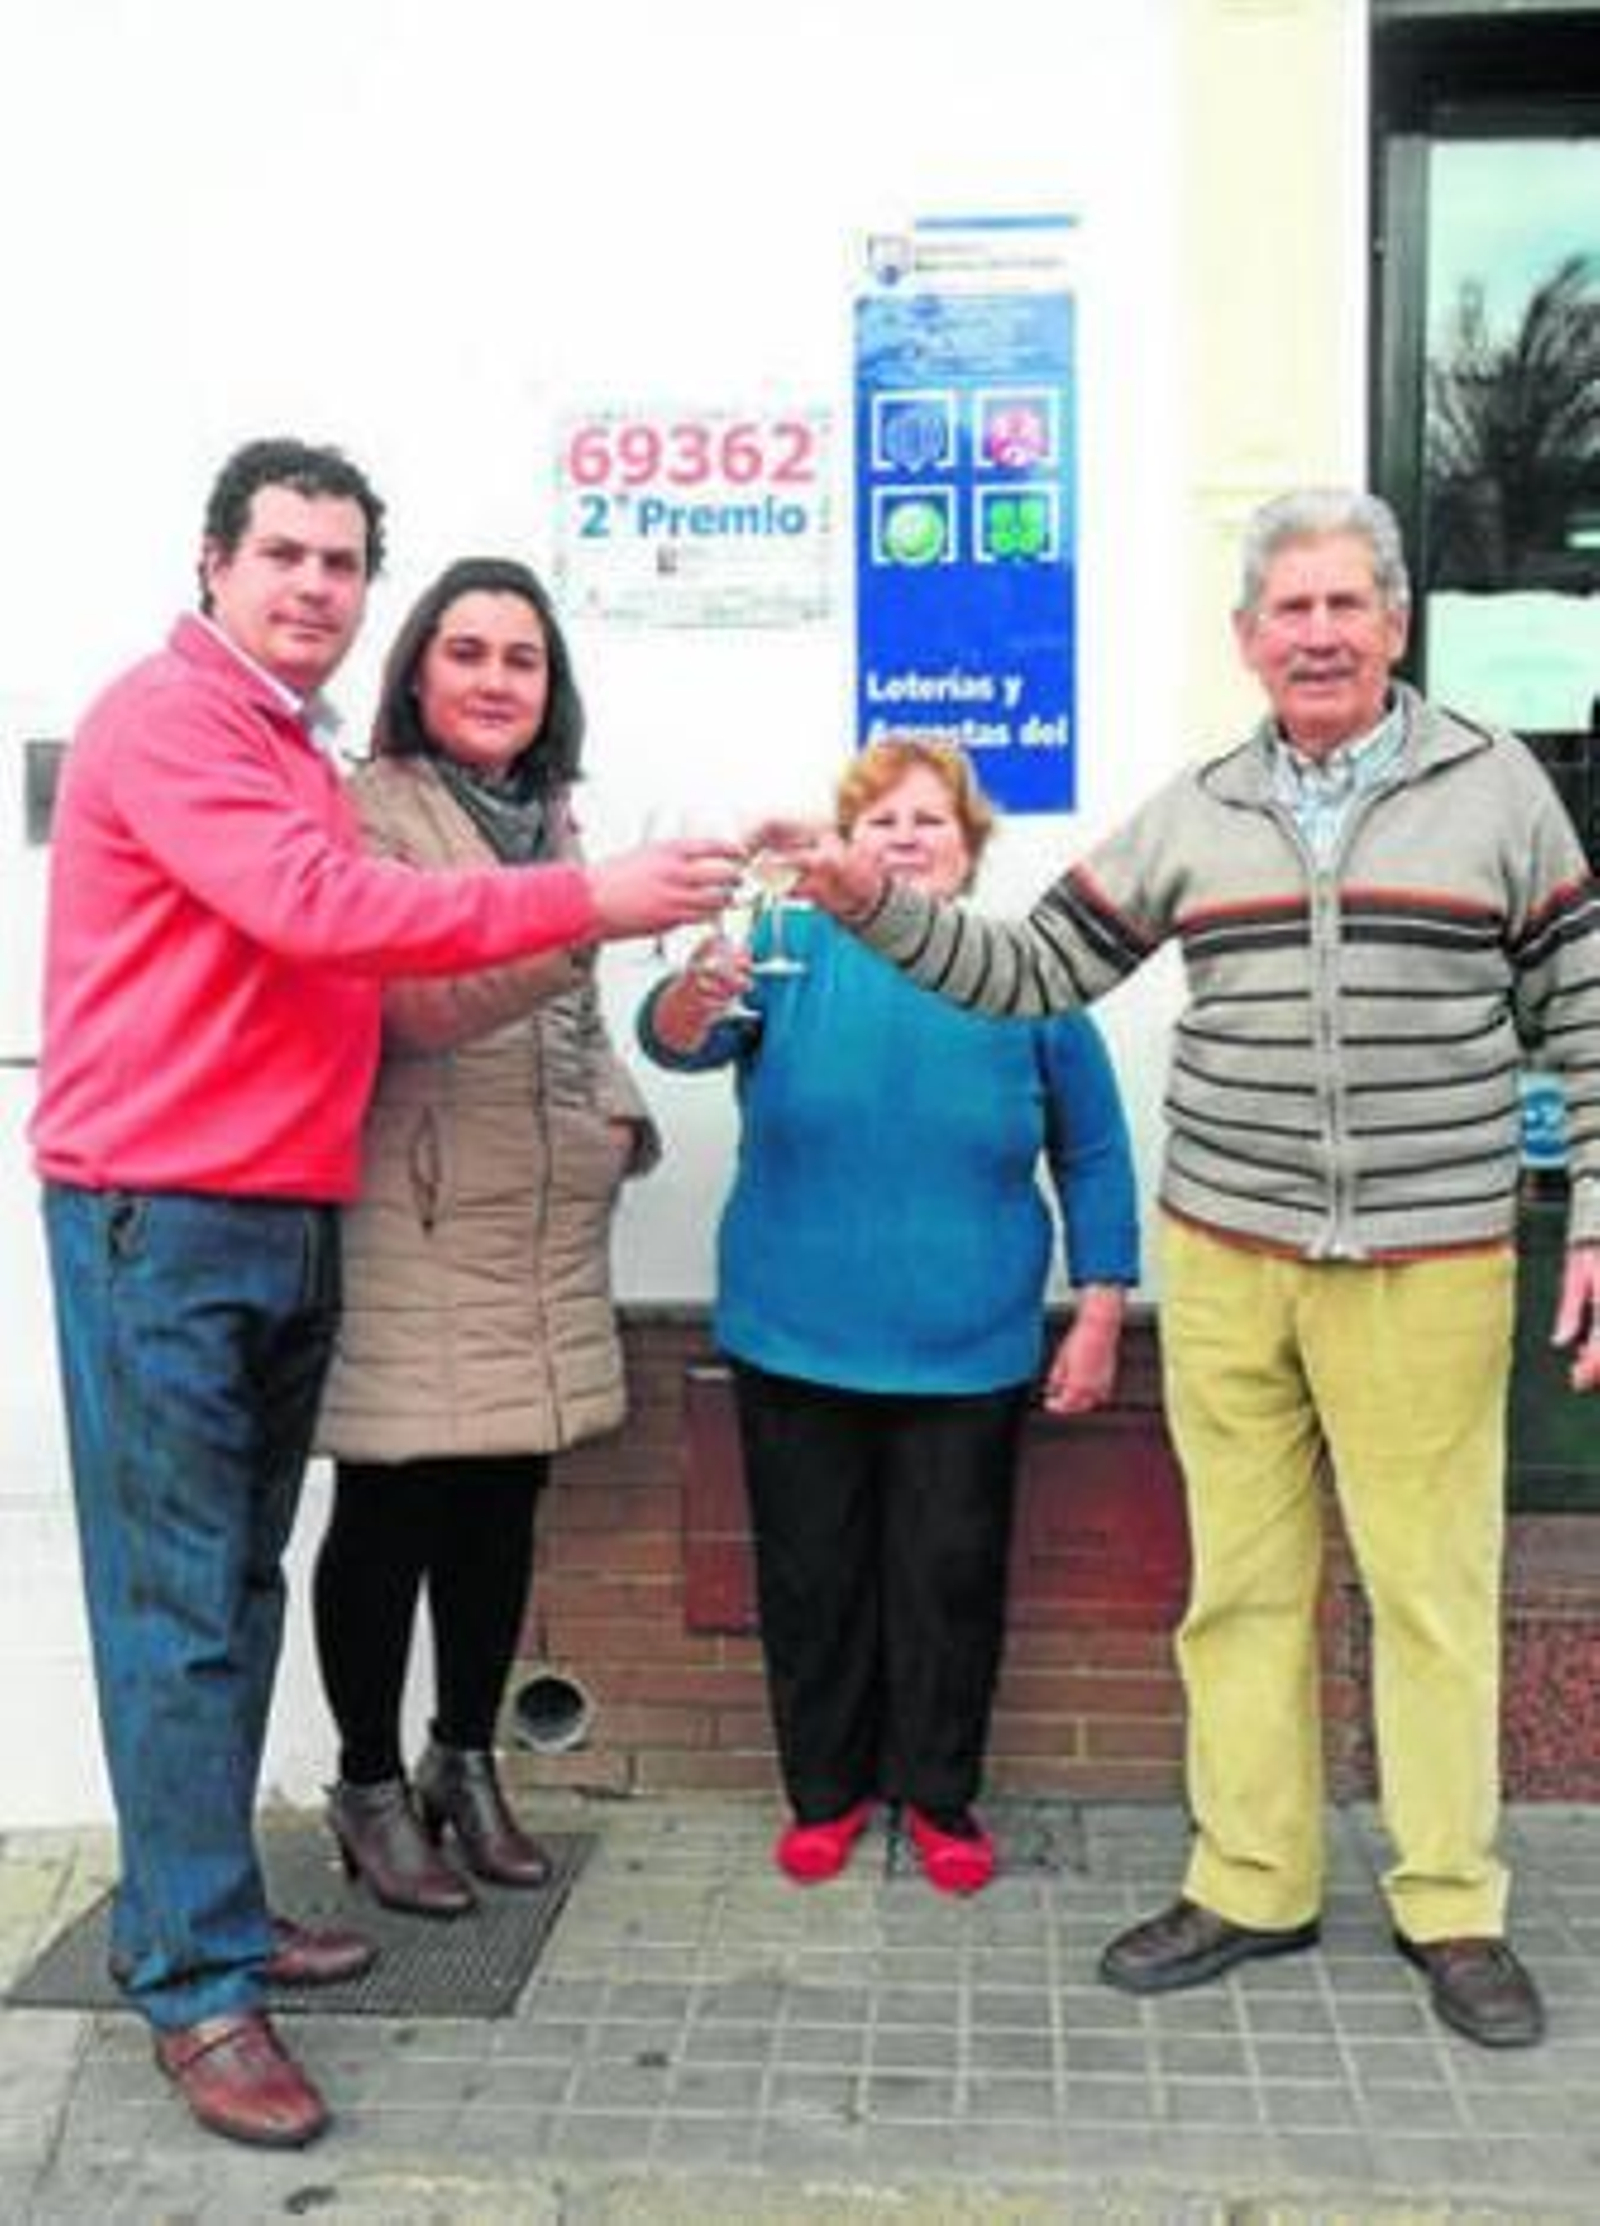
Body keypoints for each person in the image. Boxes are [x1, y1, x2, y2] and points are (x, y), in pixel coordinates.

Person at [769, 489, 1600, 2047]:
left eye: (1347, 604)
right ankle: (1254, 1879)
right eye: (1289, 610)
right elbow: (1026, 968)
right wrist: (870, 899)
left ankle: (1452, 1903)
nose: (1319, 633)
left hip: (1430, 1255)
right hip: (1227, 1252)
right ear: (1246, 640)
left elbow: (1586, 1000)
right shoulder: (1198, 807)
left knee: (1430, 1592)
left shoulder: (1498, 792)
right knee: (1242, 1589)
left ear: (1397, 622)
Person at [30, 439, 741, 2151]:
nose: (313, 589)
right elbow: (318, 909)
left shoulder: (290, 742)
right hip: (163, 1215)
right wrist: (594, 897)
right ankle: (199, 1993)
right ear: (214, 561)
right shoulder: (175, 721)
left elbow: (376, 972)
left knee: (233, 1600)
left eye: (341, 563)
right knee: (181, 1613)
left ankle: (191, 1912)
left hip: (277, 1207)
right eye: (285, 555)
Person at [639, 739, 1139, 1893]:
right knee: (812, 1579)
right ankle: (825, 1794)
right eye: (880, 822)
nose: (906, 838)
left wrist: (1101, 1307)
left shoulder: (1028, 973)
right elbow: (675, 1042)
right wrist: (689, 986)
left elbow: (1096, 1152)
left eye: (931, 823)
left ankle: (938, 1799)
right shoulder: (780, 944)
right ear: (837, 849)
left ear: (968, 854)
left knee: (948, 1583)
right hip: (795, 1334)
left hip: (967, 1350)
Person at [311, 557, 659, 1916]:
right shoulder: (368, 810)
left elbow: (570, 1018)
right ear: (415, 670)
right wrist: (592, 920)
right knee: (390, 1501)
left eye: (522, 657)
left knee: (500, 1506)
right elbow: (404, 1005)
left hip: (537, 1219)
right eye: (467, 651)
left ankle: (464, 1760)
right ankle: (366, 1783)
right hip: (416, 1206)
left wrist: (617, 1120)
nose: (495, 679)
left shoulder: (549, 819)